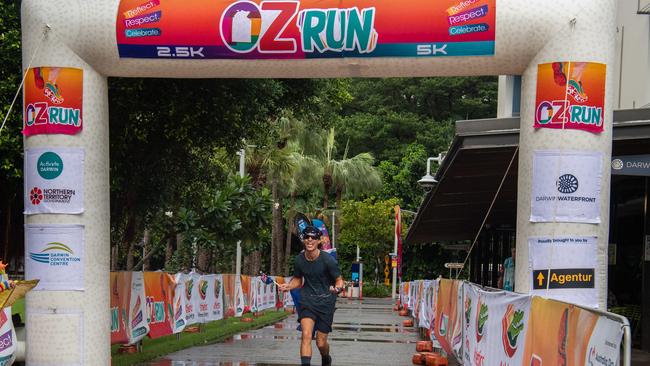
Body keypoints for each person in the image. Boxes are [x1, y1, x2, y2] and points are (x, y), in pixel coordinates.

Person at [279, 226, 344, 366]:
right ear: (303, 240)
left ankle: (326, 358)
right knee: (306, 336)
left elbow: (339, 279)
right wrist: (289, 286)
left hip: (326, 302)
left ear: (319, 240)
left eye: (313, 237)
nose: (309, 240)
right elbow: (297, 279)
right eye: (307, 237)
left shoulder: (328, 260)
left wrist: (337, 288)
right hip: (307, 301)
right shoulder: (299, 260)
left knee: (321, 343)